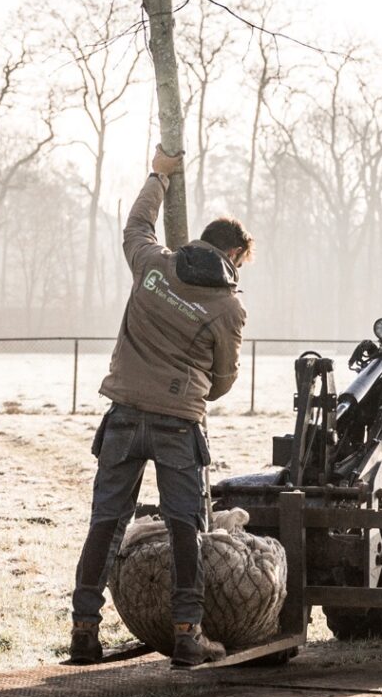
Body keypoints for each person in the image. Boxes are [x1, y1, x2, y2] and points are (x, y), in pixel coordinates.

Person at [69, 149, 252, 669]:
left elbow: (136, 224)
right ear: (233, 257)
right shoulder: (229, 306)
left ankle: (84, 628)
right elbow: (224, 381)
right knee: (184, 527)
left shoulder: (151, 266)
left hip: (123, 414)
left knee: (105, 521)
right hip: (179, 423)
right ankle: (188, 634)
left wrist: (159, 175)